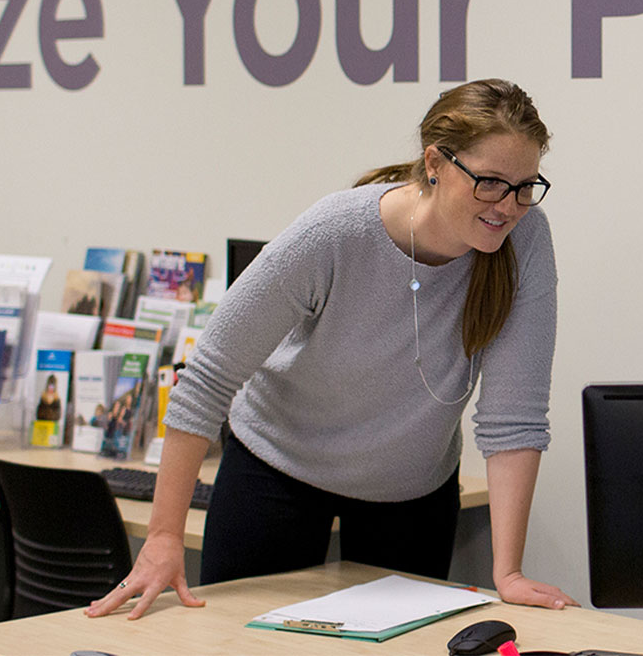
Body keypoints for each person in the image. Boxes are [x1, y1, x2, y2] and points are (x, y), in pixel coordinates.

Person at [85, 78, 578, 620]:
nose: (508, 206)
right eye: (490, 183)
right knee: (240, 642)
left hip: (412, 489)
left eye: (525, 187)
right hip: (277, 467)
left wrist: (508, 572)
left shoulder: (525, 241)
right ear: (435, 162)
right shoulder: (337, 231)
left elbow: (514, 419)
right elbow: (207, 378)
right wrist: (162, 538)